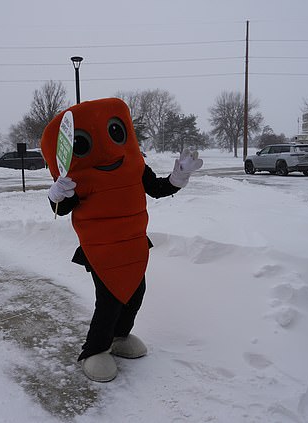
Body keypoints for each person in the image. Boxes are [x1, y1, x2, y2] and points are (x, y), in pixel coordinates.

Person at [40, 98, 203, 382]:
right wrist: (56, 195)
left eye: (115, 132)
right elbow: (63, 209)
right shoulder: (78, 177)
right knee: (109, 300)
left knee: (135, 292)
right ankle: (94, 351)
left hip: (133, 244)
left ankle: (119, 336)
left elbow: (157, 188)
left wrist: (179, 177)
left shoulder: (134, 165)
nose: (108, 145)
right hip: (100, 249)